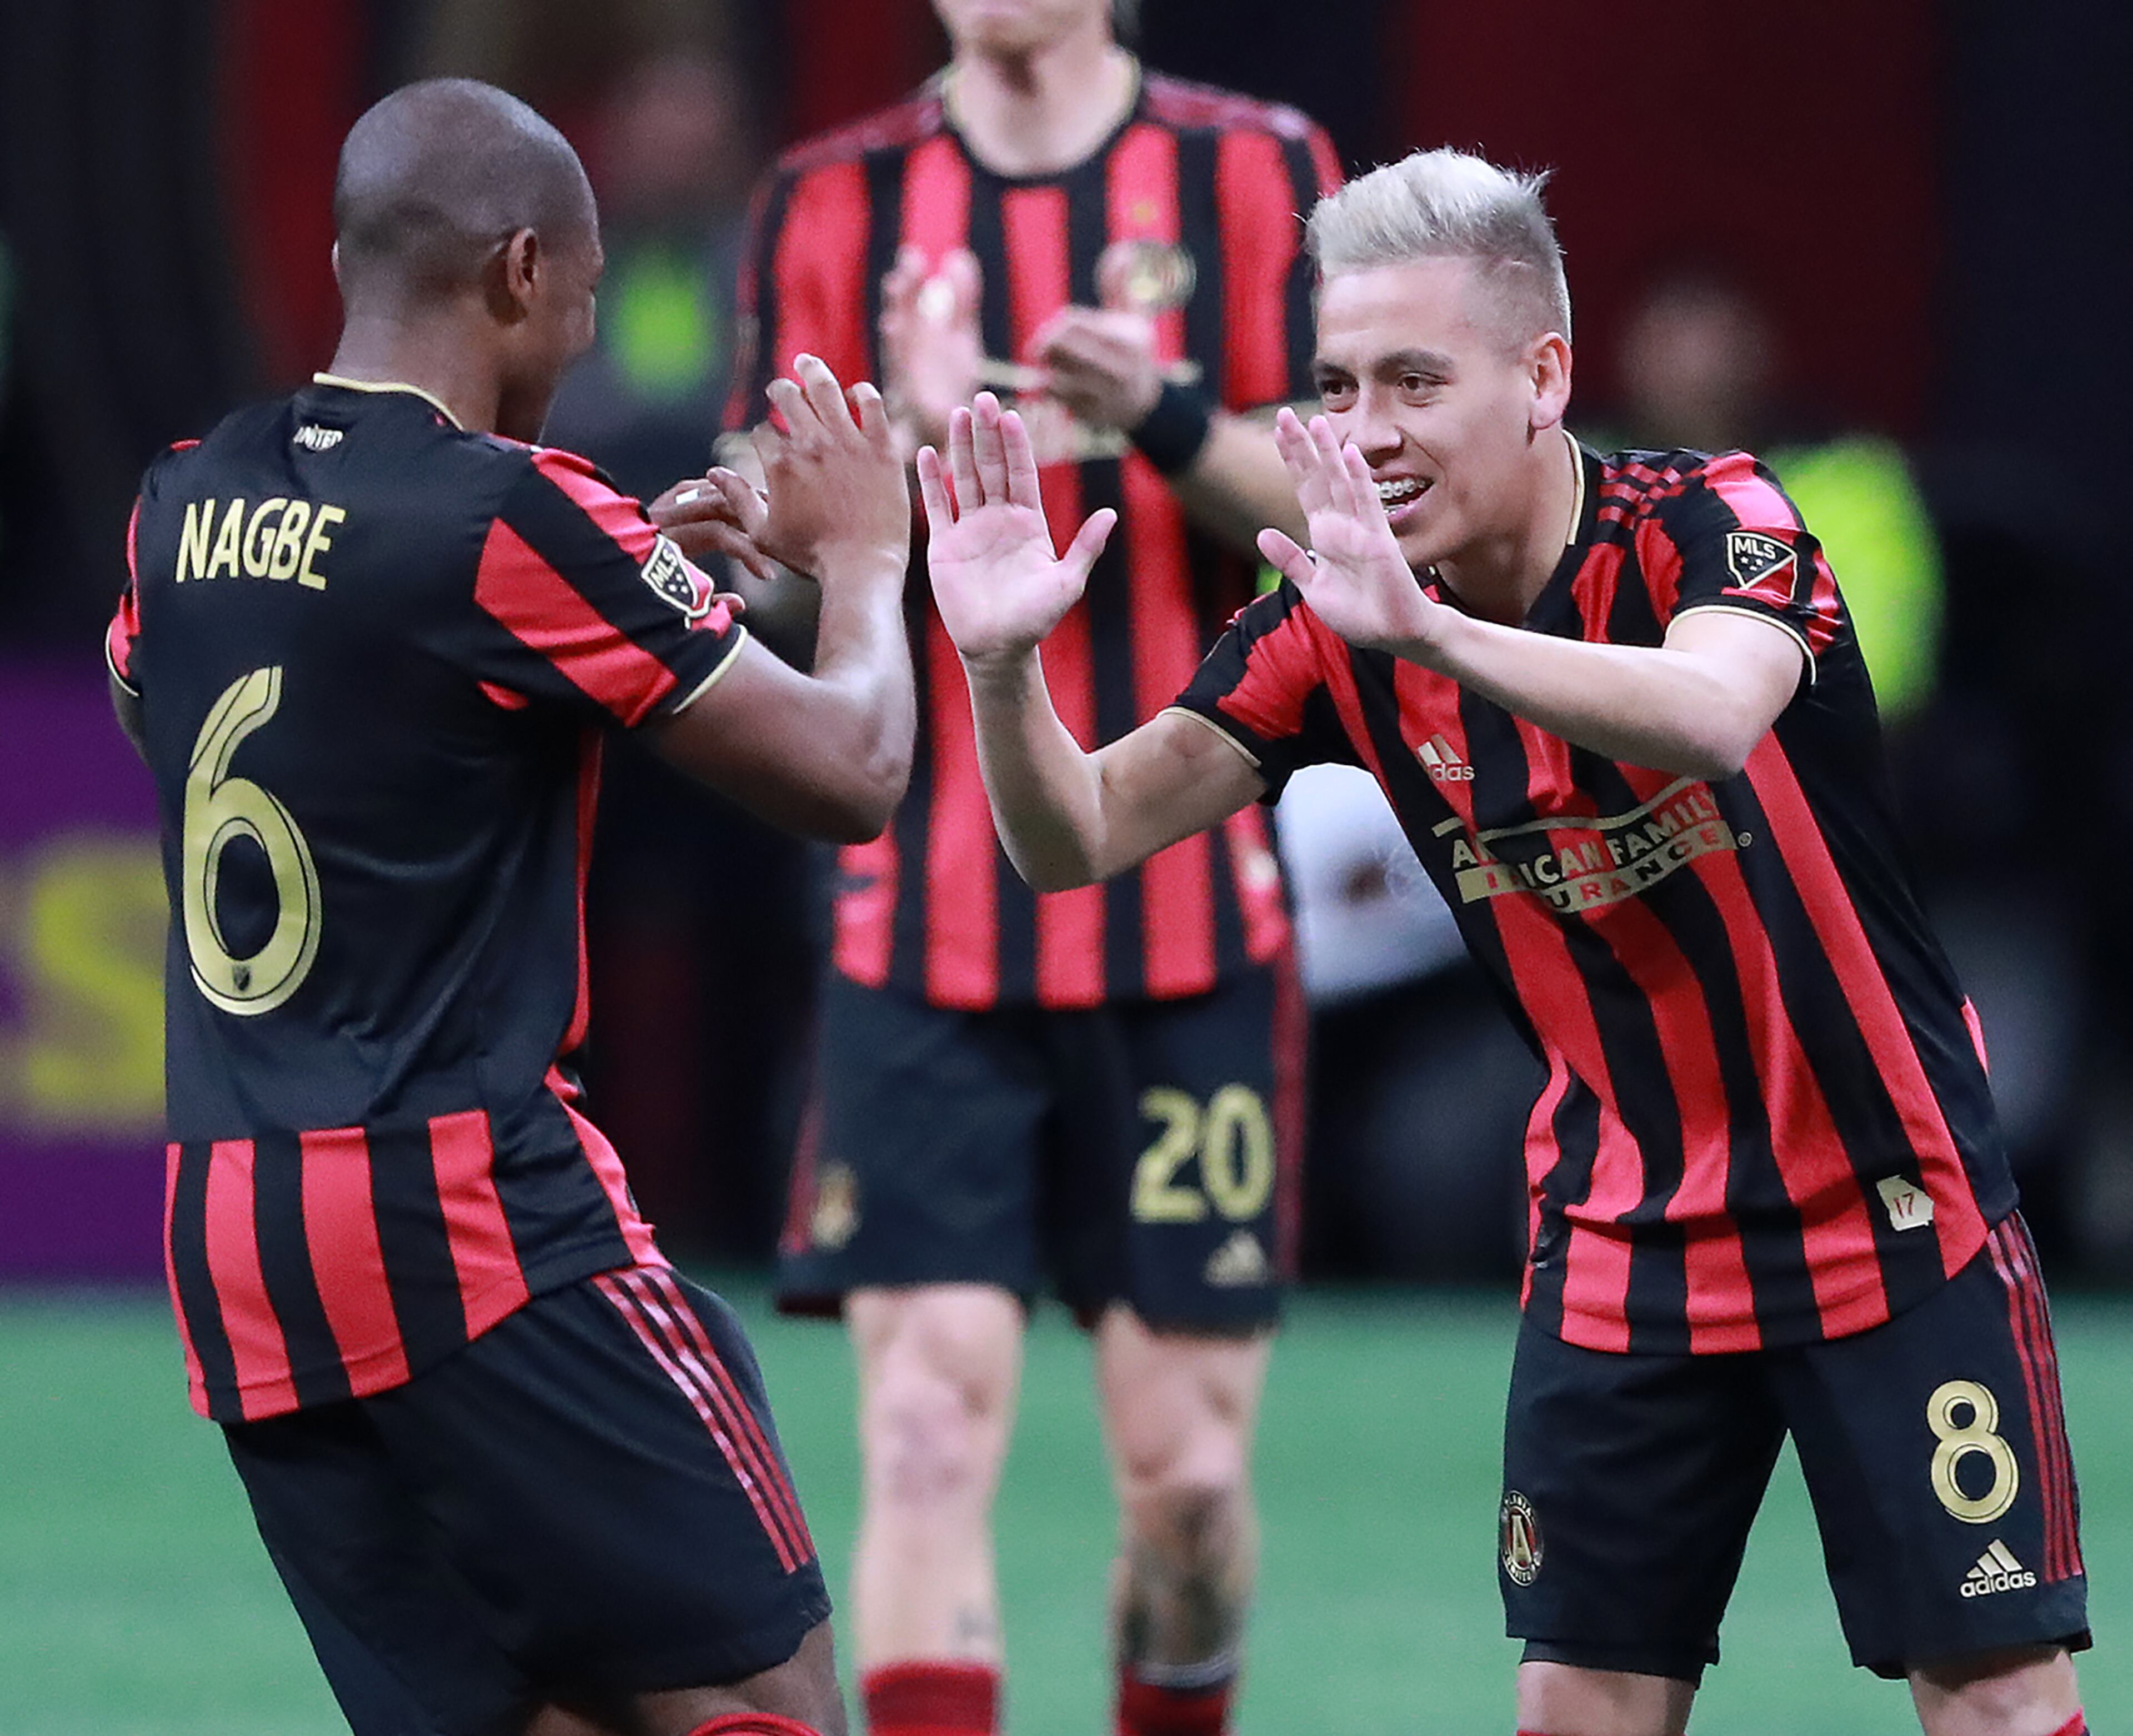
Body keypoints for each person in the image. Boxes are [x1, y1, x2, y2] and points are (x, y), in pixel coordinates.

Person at [917, 148, 2092, 1736]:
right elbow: (1076, 838)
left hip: (1887, 1211)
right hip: (1624, 1237)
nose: (1367, 430)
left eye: (1415, 378)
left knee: (1999, 1701)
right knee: (1576, 1714)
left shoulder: (1708, 522)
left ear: (1544, 377)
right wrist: (997, 668)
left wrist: (1437, 632)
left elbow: (1711, 715)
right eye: (1337, 386)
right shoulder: (1335, 625)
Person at [104, 78, 916, 1736]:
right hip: (466, 1210)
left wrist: (630, 582)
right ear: (523, 271)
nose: (583, 328)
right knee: (765, 1695)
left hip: (238, 1235)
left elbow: (171, 707)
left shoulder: (180, 501)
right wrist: (868, 564)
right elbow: (855, 773)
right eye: (593, 295)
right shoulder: (517, 514)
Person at [715, 3, 1337, 1733]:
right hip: (922, 932)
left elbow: (1357, 496)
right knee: (921, 1430)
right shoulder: (828, 201)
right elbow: (752, 531)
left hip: (1188, 916)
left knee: (1192, 1485)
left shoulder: (1256, 172)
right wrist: (890, 460)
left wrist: (1158, 410)